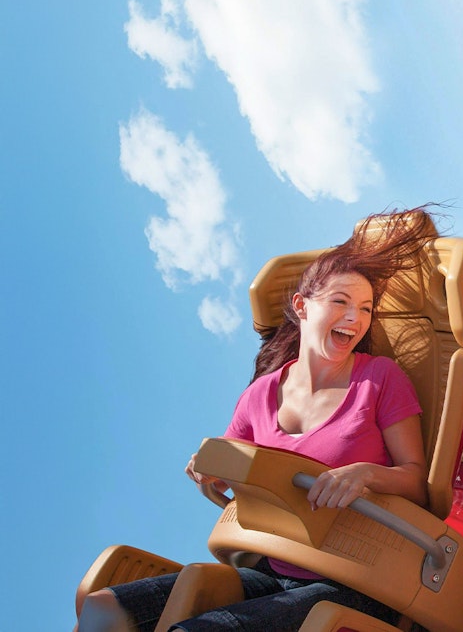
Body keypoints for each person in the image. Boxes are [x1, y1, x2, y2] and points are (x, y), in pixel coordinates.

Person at [77, 208, 439, 632]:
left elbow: (417, 483)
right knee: (100, 607)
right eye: (340, 303)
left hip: (357, 578)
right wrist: (207, 470)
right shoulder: (258, 396)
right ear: (302, 307)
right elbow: (228, 476)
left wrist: (365, 475)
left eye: (365, 309)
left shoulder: (379, 378)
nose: (355, 319)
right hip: (273, 567)